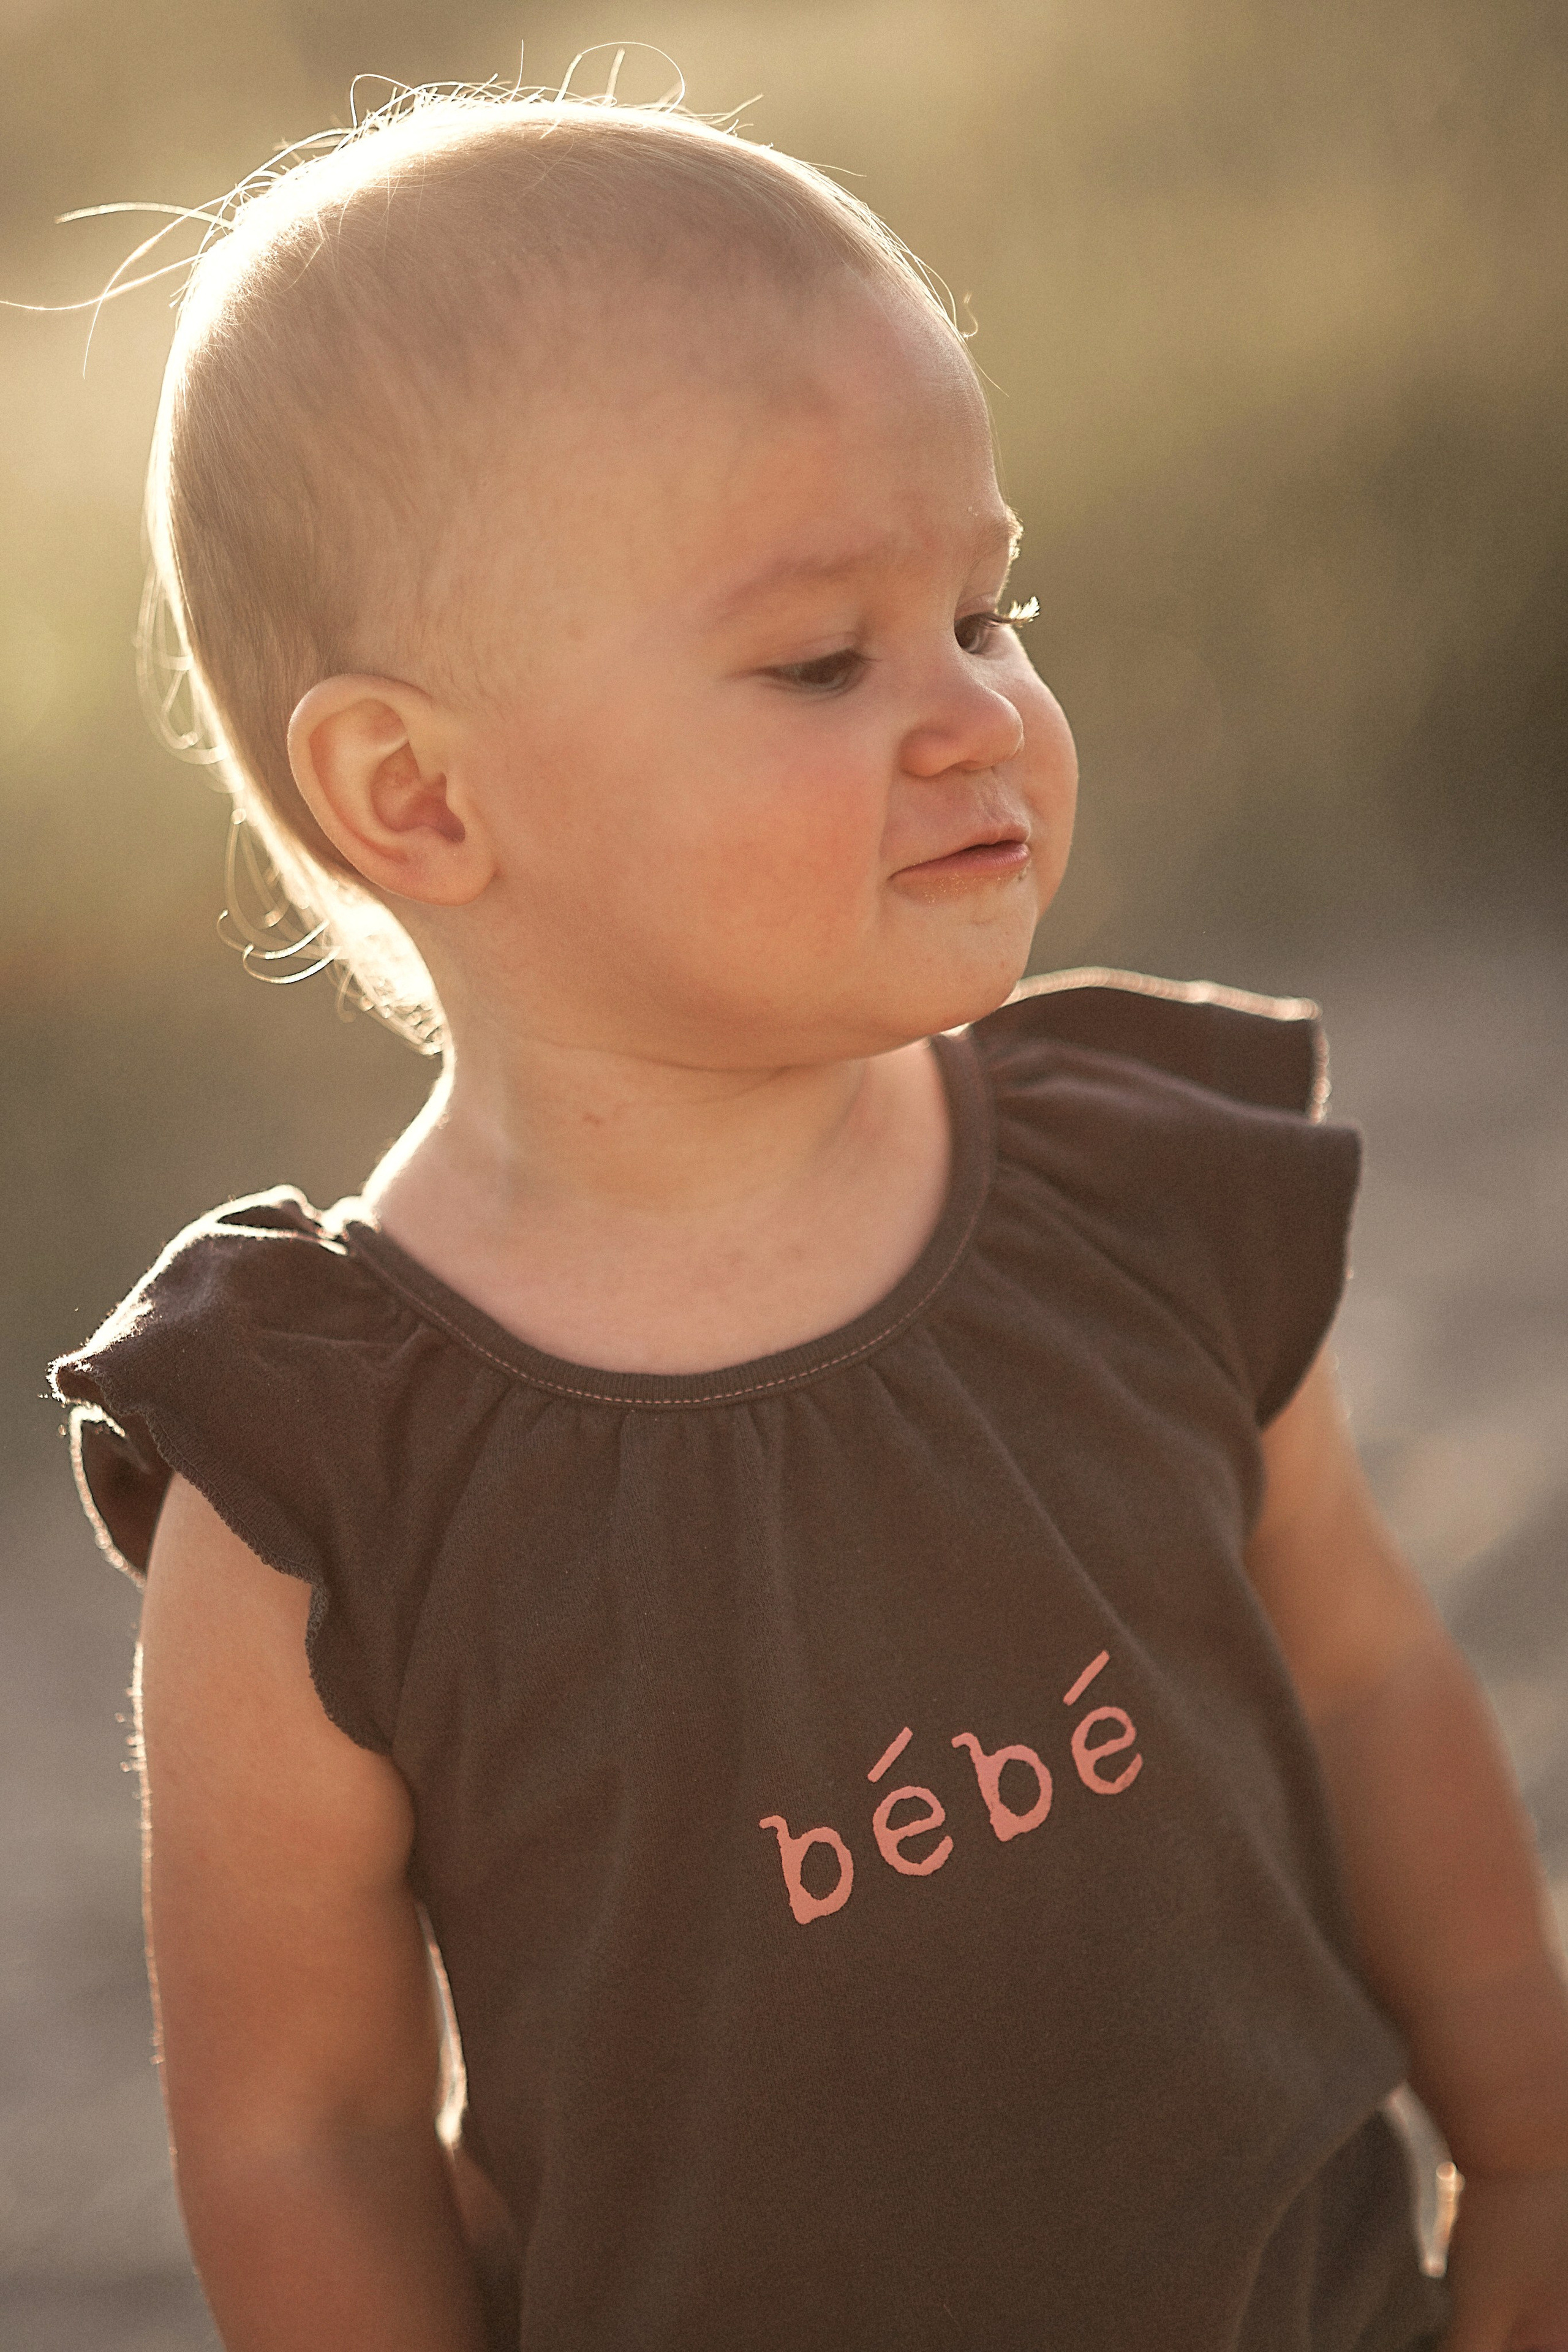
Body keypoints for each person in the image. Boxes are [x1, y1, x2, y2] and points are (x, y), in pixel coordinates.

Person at [49, 85, 1568, 2352]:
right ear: (419, 792)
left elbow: (1359, 1675)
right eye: (823, 660)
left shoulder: (1141, 1195)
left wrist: (1533, 2155)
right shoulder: (322, 1473)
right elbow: (311, 2133)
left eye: (984, 608)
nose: (979, 714)